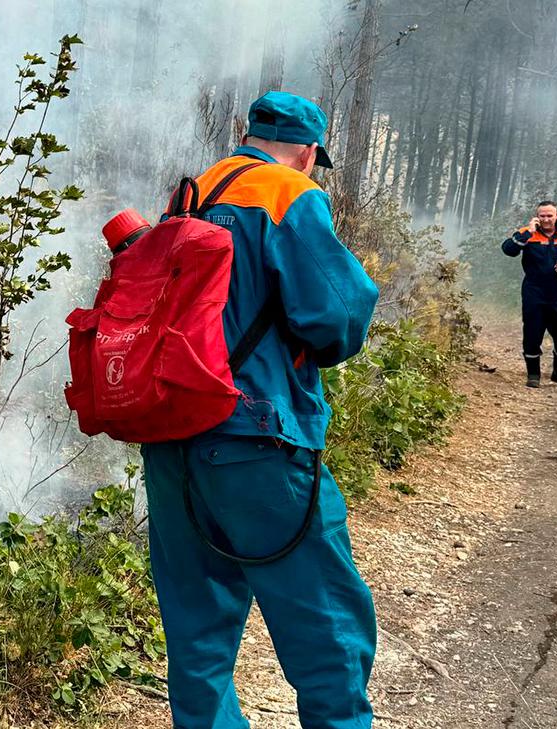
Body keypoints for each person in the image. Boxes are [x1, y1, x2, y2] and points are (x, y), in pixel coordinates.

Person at [141, 91, 380, 729]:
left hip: (172, 443)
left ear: (250, 133)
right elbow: (336, 315)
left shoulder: (190, 194)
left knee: (197, 635)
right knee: (326, 626)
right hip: (256, 441)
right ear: (308, 152)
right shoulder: (285, 193)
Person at [501, 201, 557, 388]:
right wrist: (527, 233)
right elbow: (508, 250)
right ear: (537, 216)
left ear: (556, 215)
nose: (546, 219)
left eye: (550, 215)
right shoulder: (527, 232)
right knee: (533, 332)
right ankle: (533, 375)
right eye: (542, 216)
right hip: (534, 290)